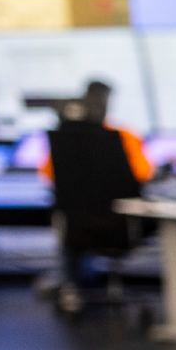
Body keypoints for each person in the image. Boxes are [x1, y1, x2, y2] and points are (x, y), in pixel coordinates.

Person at [41, 80, 155, 313]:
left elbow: (47, 176)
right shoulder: (123, 136)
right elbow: (144, 174)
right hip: (123, 226)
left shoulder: (63, 142)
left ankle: (70, 286)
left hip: (77, 229)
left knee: (67, 218)